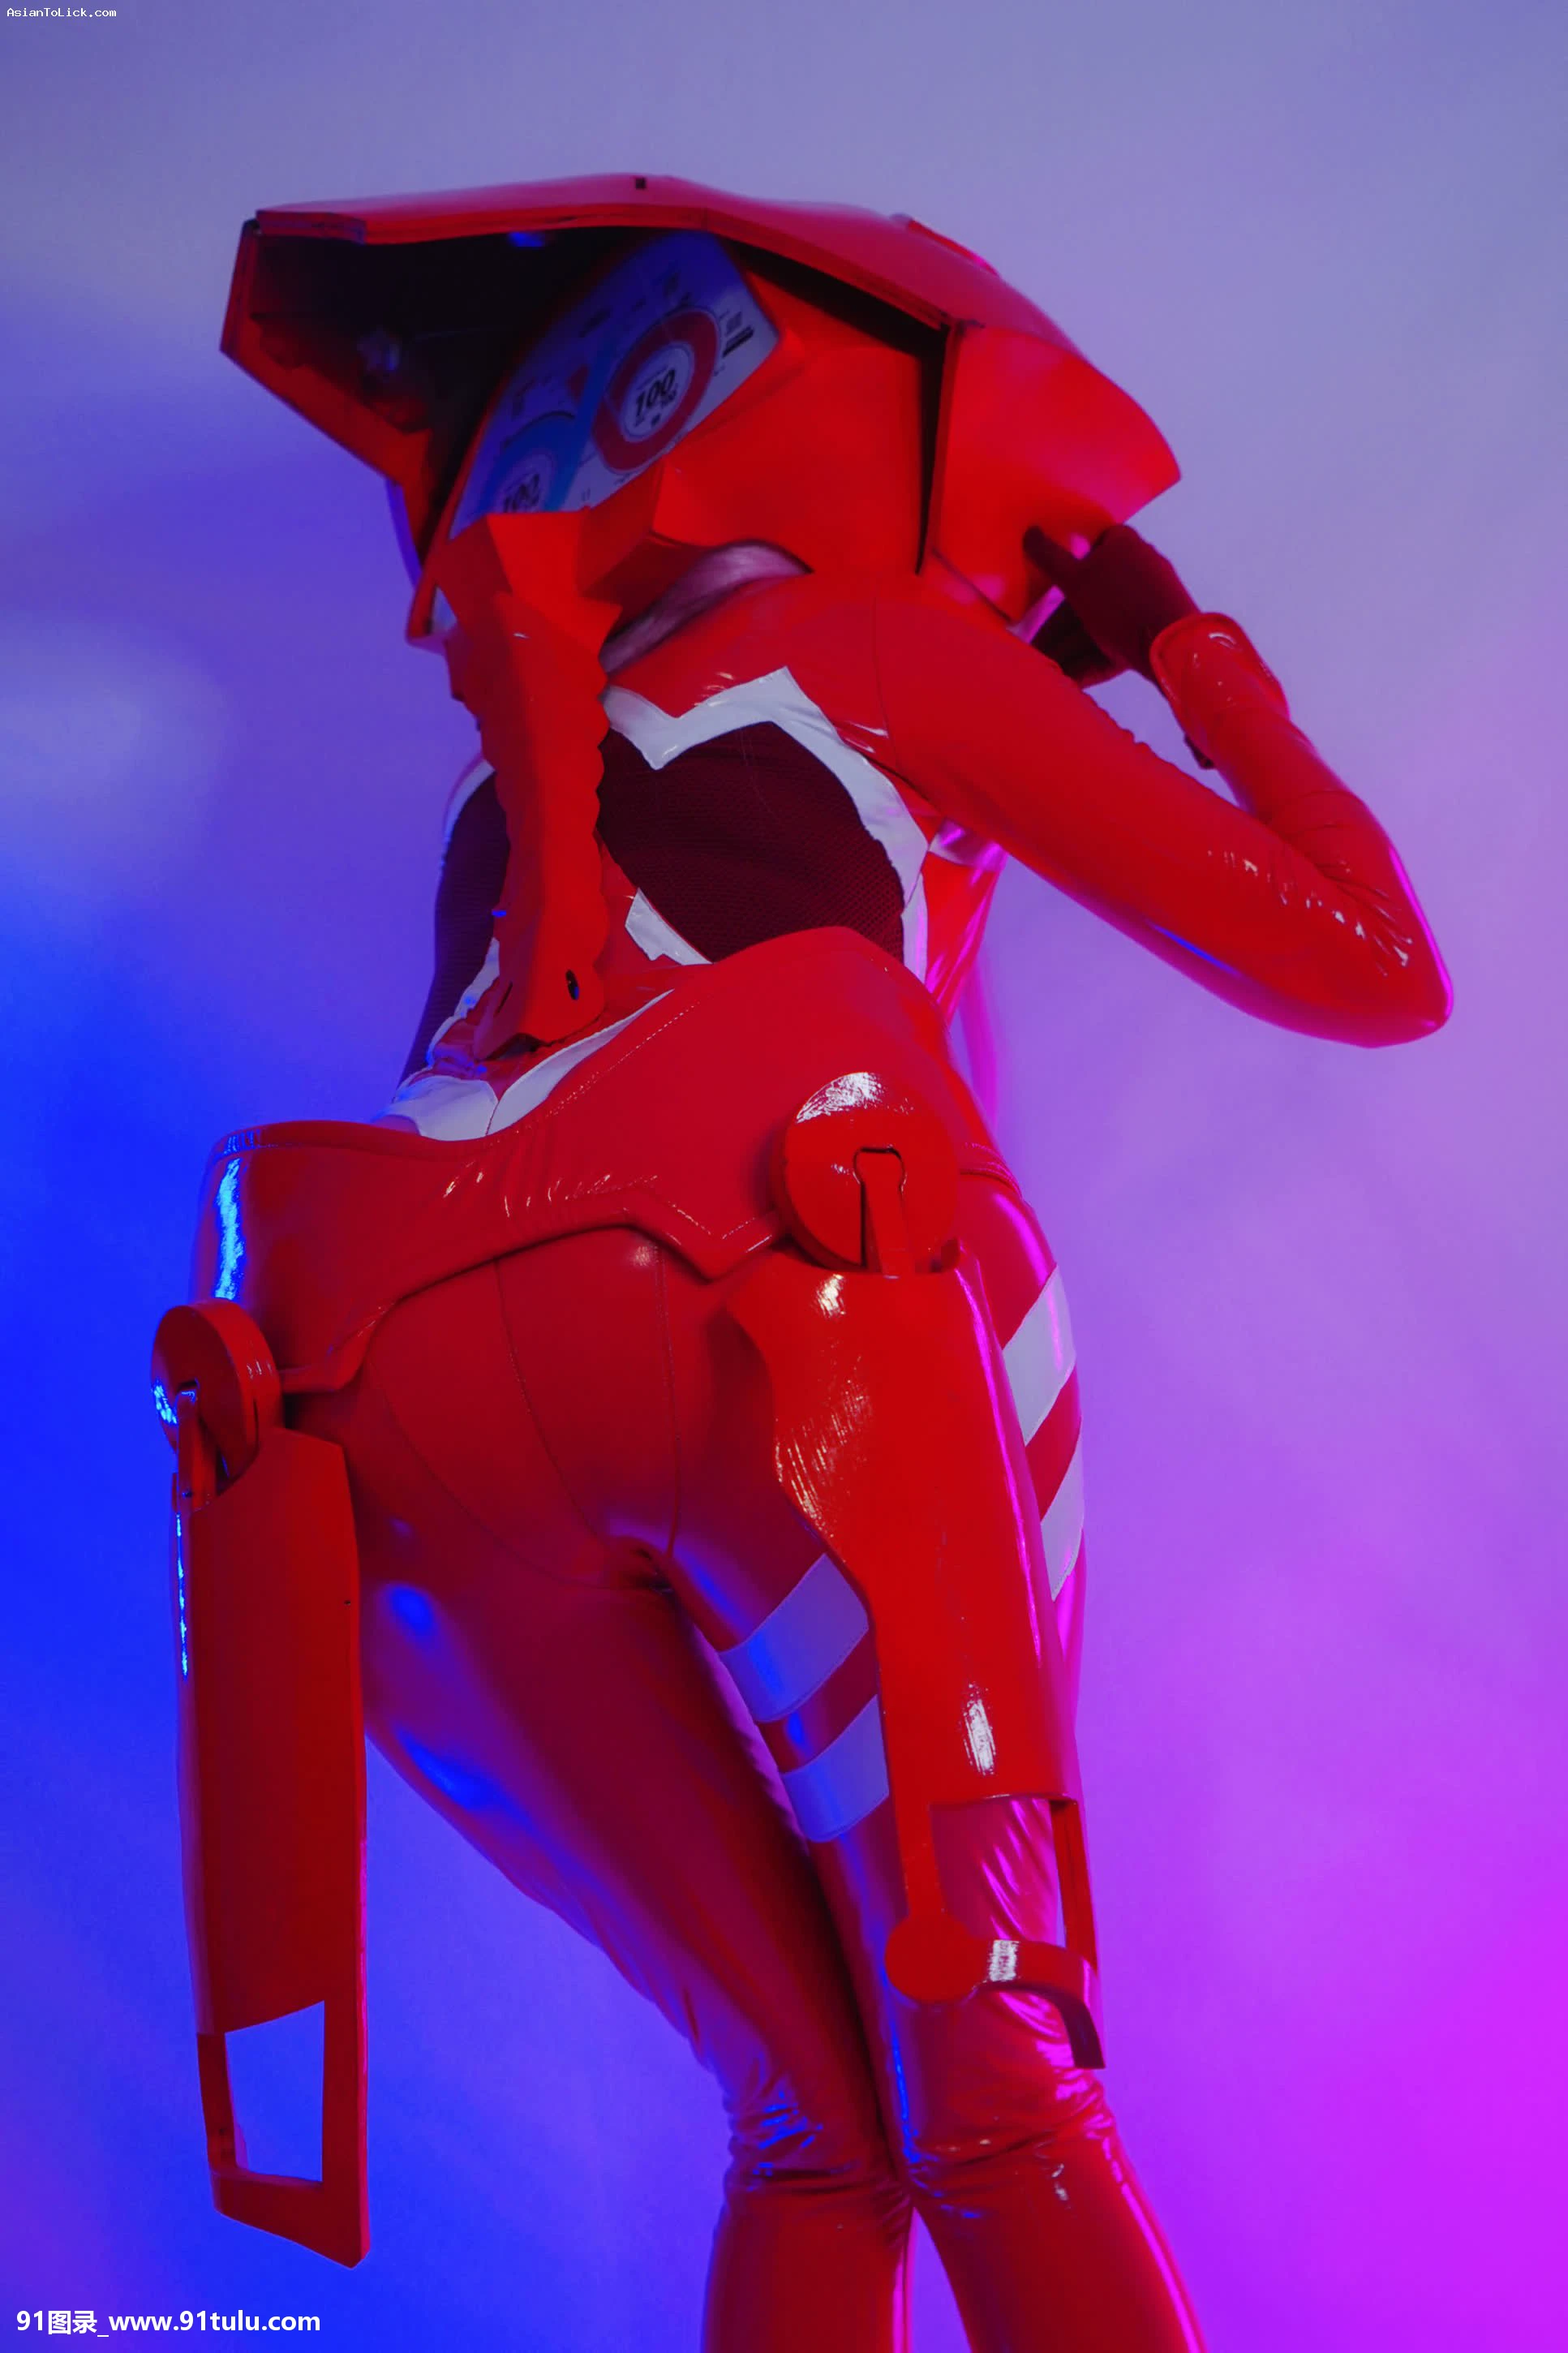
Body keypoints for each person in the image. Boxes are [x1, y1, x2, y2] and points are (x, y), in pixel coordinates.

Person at [160, 179, 1449, 2352]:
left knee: (805, 2120)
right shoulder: (876, 649)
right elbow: (1370, 964)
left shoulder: (499, 794)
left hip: (351, 1375)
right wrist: (1176, 649)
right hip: (762, 1275)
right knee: (996, 2098)